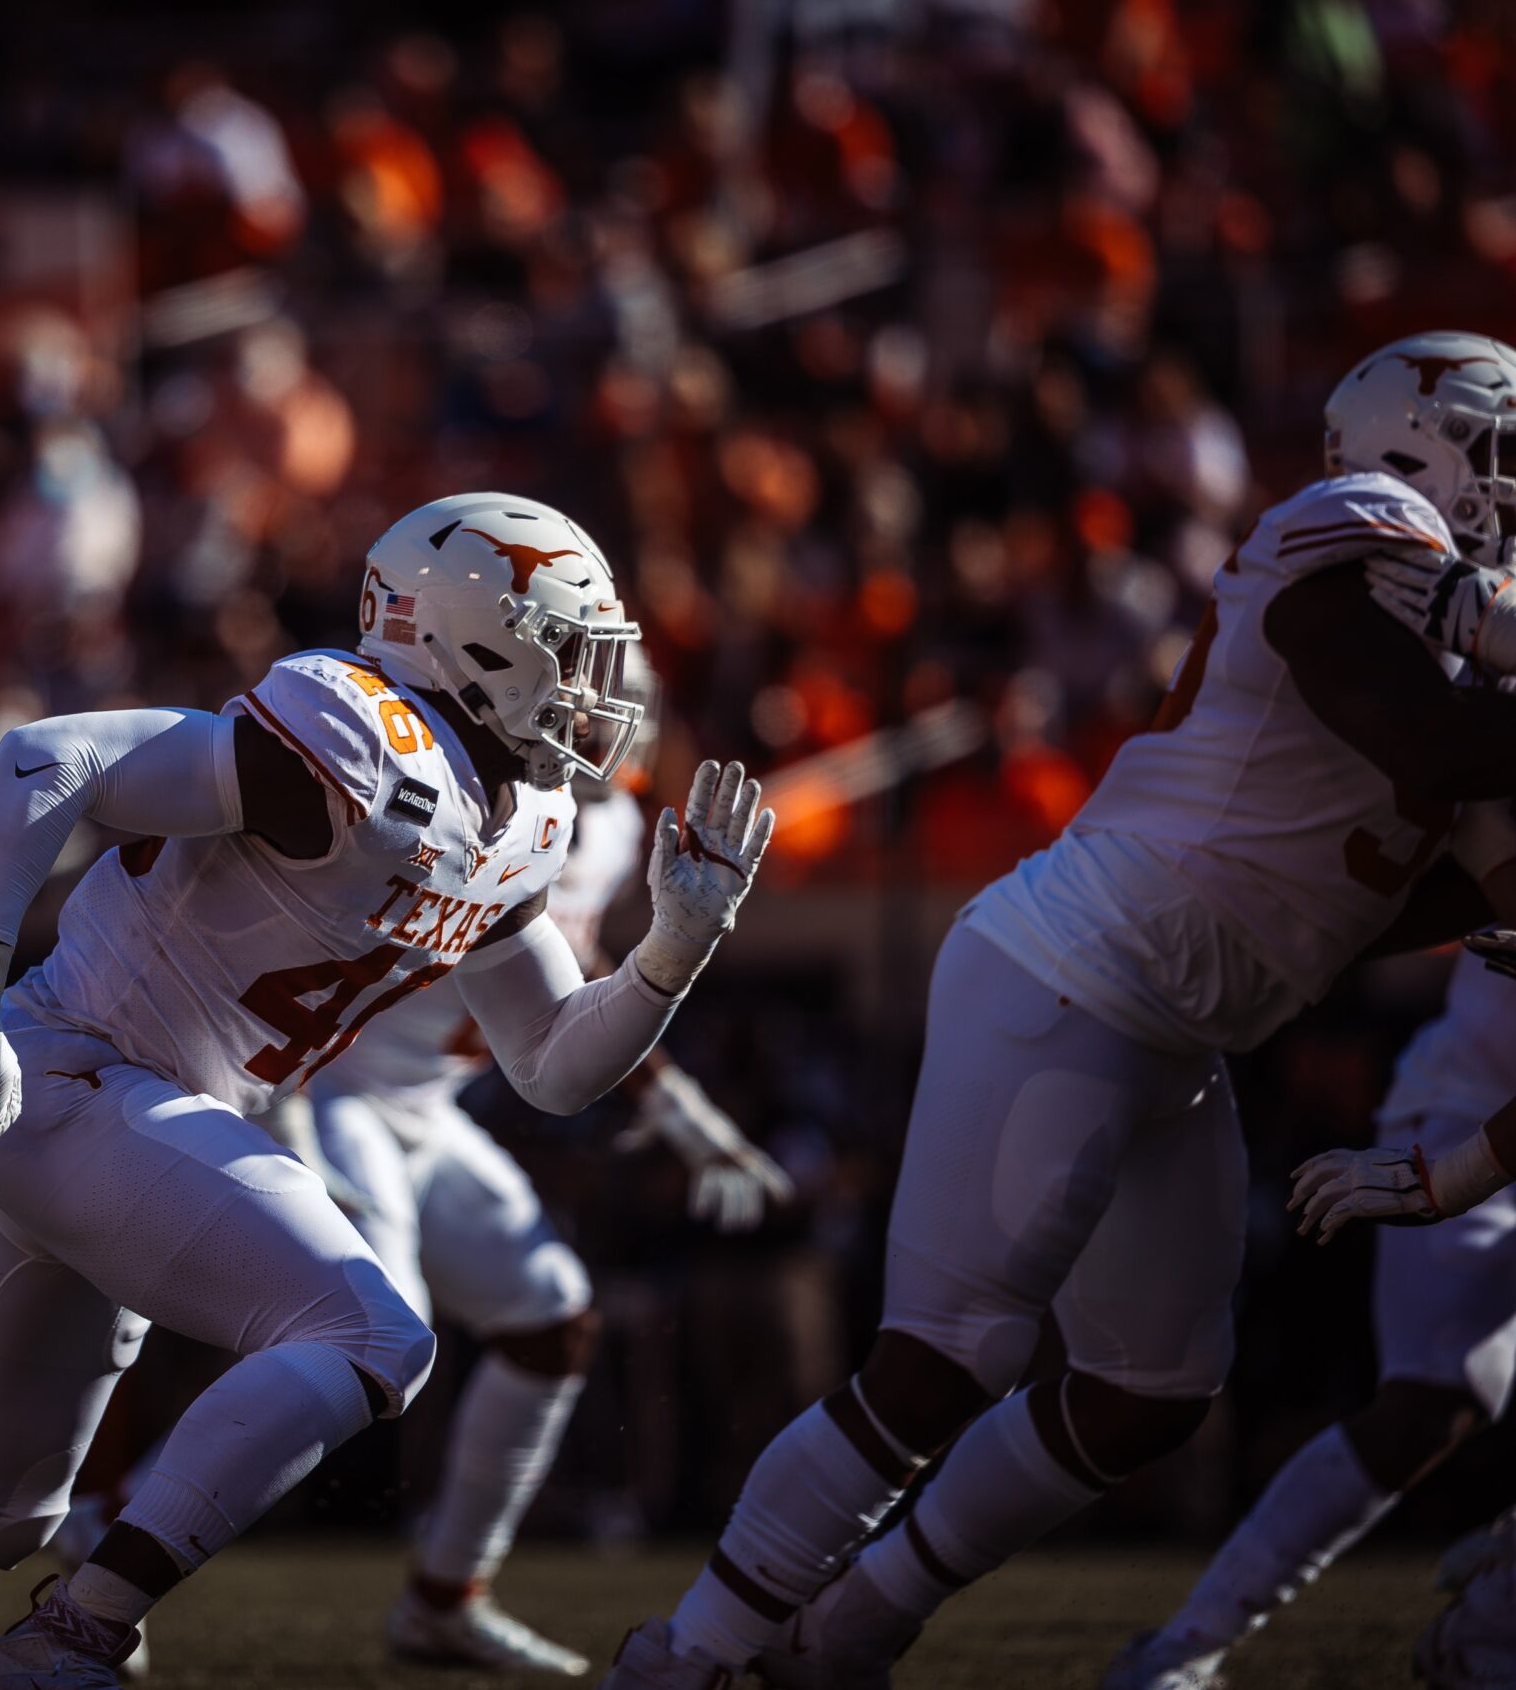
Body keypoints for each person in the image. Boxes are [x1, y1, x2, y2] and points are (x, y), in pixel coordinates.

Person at [0, 491, 773, 1690]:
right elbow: (45, 759)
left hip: (111, 1118)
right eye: (568, 651)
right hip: (77, 1076)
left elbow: (550, 1064)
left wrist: (669, 956)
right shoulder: (361, 736)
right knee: (375, 1333)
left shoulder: (529, 820)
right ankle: (76, 1635)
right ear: (473, 637)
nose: (593, 688)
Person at [603, 331, 1516, 1690]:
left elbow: (1404, 876)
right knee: (945, 1358)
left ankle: (850, 1630)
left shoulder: (1474, 683)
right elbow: (1422, 740)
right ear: (1416, 445)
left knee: (1151, 1389)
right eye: (1500, 450)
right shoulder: (1355, 518)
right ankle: (687, 1656)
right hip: (1072, 966)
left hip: (1177, 1027)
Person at [42, 708, 791, 1680]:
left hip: (431, 1108)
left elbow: (576, 976)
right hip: (340, 1089)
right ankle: (112, 1534)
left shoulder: (604, 829)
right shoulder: (471, 795)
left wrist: (684, 1114)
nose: (604, 727)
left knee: (552, 1321)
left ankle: (445, 1596)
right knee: (367, 1342)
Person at [1105, 943, 1516, 1689]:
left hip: (1479, 1131)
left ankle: (1496, 1612)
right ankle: (1184, 1646)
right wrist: (1443, 1180)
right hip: (1472, 1107)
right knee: (1430, 1403)